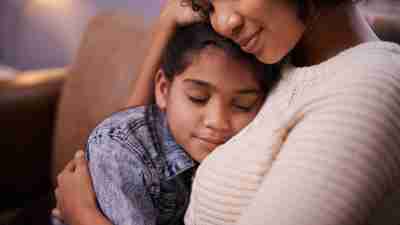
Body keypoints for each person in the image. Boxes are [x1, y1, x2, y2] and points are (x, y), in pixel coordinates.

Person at [55, 0, 400, 225]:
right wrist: (164, 28)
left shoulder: (368, 85)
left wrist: (84, 215)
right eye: (209, 5)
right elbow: (142, 136)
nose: (223, 23)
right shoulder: (279, 63)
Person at [52, 22, 279, 225]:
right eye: (197, 97)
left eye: (242, 104)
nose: (217, 122)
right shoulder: (119, 148)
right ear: (163, 90)